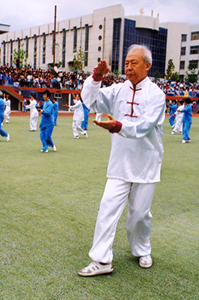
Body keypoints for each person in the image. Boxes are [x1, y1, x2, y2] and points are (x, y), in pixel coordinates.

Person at [78, 44, 166, 276]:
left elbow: (145, 125)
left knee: (139, 214)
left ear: (147, 65)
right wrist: (97, 77)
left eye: (133, 63)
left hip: (146, 163)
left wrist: (117, 125)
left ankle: (141, 249)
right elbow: (92, 101)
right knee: (107, 208)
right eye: (126, 62)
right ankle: (102, 260)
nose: (128, 67)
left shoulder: (156, 95)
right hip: (119, 162)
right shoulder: (117, 90)